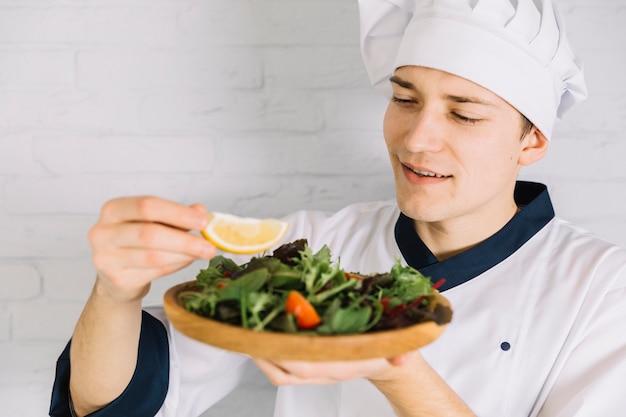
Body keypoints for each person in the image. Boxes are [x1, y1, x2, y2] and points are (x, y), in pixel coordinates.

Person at [50, 0, 626, 416]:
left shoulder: (602, 288)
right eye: (405, 98)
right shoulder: (308, 248)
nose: (416, 139)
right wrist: (115, 292)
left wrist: (391, 368)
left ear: (532, 141)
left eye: (464, 113)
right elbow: (114, 405)